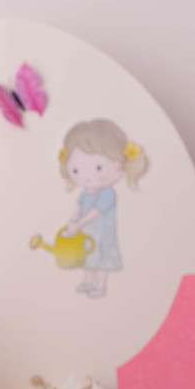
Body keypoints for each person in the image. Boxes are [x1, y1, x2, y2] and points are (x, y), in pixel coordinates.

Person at [59, 118, 148, 298]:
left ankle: (99, 285)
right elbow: (79, 206)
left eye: (98, 168)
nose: (87, 177)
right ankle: (87, 281)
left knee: (100, 259)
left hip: (102, 234)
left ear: (121, 164)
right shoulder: (85, 192)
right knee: (87, 256)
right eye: (76, 170)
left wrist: (79, 223)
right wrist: (72, 219)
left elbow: (95, 212)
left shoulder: (108, 193)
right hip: (86, 233)